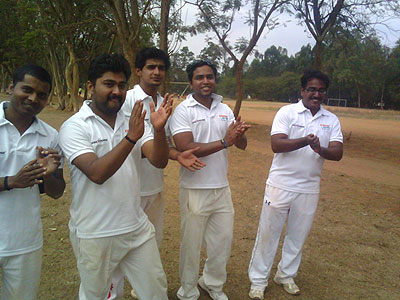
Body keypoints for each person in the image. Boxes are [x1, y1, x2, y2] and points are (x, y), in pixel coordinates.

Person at [59, 53, 171, 300]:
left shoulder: (131, 121)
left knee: (156, 291)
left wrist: (159, 131)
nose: (117, 92)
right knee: (97, 295)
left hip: (135, 226)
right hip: (95, 231)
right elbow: (97, 173)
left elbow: (158, 160)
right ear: (91, 86)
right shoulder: (75, 126)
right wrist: (131, 137)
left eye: (121, 85)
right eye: (108, 84)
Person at [109, 47, 205, 300]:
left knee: (150, 244)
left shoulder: (165, 103)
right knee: (117, 250)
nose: (157, 72)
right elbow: (129, 142)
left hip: (153, 187)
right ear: (139, 70)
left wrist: (177, 155)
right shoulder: (126, 99)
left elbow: (161, 144)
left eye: (161, 68)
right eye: (151, 67)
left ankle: (140, 289)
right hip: (126, 188)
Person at [248, 70, 343, 300]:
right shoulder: (287, 112)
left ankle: (286, 275)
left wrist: (321, 149)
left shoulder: (330, 119)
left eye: (320, 90)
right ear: (302, 91)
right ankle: (258, 281)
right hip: (280, 185)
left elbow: (338, 152)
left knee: (297, 236)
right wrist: (305, 140)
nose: (316, 94)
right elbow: (276, 144)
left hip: (309, 187)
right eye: (311, 89)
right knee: (268, 235)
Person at [170, 59, 250, 300]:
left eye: (209, 76)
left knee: (222, 242)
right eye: (199, 77)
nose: (205, 81)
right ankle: (188, 290)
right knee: (191, 245)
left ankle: (212, 283)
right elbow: (186, 147)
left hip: (221, 188)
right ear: (191, 82)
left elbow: (240, 145)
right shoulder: (184, 110)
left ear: (215, 79)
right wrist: (225, 141)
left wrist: (239, 135)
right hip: (194, 188)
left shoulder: (225, 109)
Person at [0, 64, 65, 300]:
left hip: (24, 242)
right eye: (26, 89)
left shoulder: (50, 136)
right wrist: (10, 181)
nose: (33, 98)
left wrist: (48, 175)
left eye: (41, 95)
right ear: (11, 87)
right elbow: (12, 181)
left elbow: (57, 193)